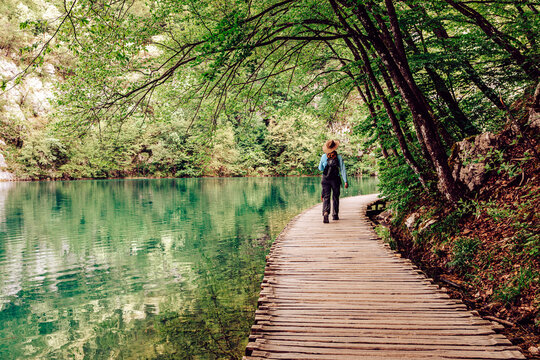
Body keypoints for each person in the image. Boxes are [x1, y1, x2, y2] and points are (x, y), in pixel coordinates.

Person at [318, 139, 348, 223]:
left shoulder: (323, 157)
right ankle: (335, 215)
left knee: (326, 197)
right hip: (335, 179)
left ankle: (326, 213)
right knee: (335, 197)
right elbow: (342, 169)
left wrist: (325, 165)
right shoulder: (339, 157)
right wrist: (345, 181)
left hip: (325, 179)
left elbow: (320, 168)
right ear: (334, 147)